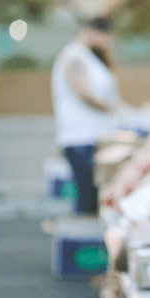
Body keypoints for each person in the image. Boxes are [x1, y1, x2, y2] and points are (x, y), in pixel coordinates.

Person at [51, 16, 122, 215]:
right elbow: (84, 93)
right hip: (82, 140)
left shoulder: (87, 56)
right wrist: (113, 109)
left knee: (91, 198)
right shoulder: (75, 56)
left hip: (93, 138)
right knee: (87, 200)